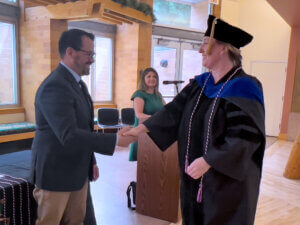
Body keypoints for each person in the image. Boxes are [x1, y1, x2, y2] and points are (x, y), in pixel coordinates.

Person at [124, 15, 266, 225]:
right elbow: (173, 111)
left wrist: (210, 160)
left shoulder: (245, 88)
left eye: (205, 44)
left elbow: (246, 138)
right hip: (194, 180)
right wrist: (139, 130)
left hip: (225, 185)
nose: (200, 50)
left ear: (223, 49)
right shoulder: (200, 85)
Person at [30, 29, 134, 225]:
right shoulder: (55, 86)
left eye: (93, 54)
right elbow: (68, 134)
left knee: (76, 221)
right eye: (89, 54)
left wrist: (91, 161)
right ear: (70, 52)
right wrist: (116, 139)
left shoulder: (78, 84)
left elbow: (84, 128)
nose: (92, 59)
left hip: (77, 170)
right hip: (55, 173)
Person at [129, 67, 165, 161]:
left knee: (155, 161)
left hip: (156, 131)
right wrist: (156, 118)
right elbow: (139, 114)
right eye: (148, 76)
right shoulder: (139, 94)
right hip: (143, 131)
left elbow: (166, 111)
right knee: (143, 162)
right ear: (143, 79)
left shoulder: (158, 95)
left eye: (154, 77)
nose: (152, 79)